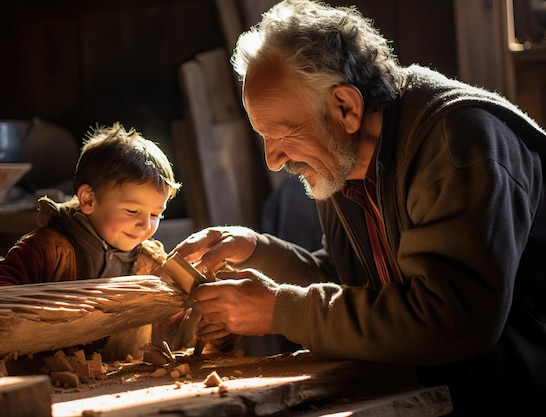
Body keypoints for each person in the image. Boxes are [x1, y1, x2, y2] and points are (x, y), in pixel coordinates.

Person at [171, 0, 546, 415]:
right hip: (434, 393)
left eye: (280, 133)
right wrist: (256, 250)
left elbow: (452, 319)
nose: (272, 160)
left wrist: (277, 309)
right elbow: (355, 287)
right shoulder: (344, 163)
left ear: (345, 107)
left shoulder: (457, 144)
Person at [0, 122, 182, 360]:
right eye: (132, 211)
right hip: (50, 383)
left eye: (155, 214)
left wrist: (194, 319)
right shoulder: (50, 249)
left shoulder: (148, 263)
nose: (146, 225)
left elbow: (166, 323)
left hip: (118, 385)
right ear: (89, 199)